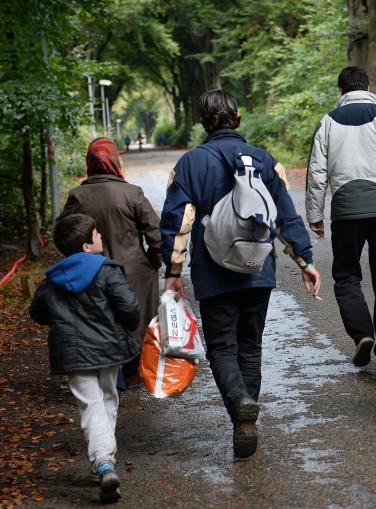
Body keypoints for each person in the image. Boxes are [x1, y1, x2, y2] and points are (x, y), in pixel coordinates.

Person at [160, 89, 321, 458]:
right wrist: (306, 262)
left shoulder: (190, 164)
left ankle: (239, 407)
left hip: (214, 272)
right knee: (251, 345)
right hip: (257, 268)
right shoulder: (265, 161)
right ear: (237, 117)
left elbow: (178, 221)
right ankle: (247, 411)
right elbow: (285, 216)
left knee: (222, 347)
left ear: (203, 121)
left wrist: (173, 271)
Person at [30, 213, 139, 503]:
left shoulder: (52, 279)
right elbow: (128, 307)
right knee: (108, 398)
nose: (101, 237)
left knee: (91, 405)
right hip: (109, 349)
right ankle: (104, 461)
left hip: (73, 353)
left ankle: (102, 463)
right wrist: (129, 324)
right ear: (87, 246)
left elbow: (37, 313)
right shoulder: (107, 270)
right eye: (97, 234)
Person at [306, 66, 376, 369]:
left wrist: (315, 214)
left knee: (347, 275)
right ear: (368, 86)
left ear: (341, 91)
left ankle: (362, 334)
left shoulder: (327, 122)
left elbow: (316, 172)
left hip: (345, 210)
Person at [60, 137, 162, 389]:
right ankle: (133, 369)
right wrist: (152, 262)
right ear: (115, 160)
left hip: (93, 271)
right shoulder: (132, 193)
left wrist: (76, 261)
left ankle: (110, 370)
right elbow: (157, 234)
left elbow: (63, 233)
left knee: (102, 319)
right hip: (135, 271)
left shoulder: (77, 196)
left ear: (89, 162)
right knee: (135, 318)